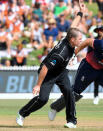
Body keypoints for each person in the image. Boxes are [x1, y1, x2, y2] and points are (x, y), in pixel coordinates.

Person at [16, 0, 86, 128]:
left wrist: (81, 12)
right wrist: (38, 85)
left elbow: (74, 24)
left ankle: (71, 121)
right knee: (42, 99)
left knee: (69, 92)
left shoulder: (69, 37)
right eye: (79, 39)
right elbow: (45, 67)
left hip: (61, 71)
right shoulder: (60, 54)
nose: (81, 40)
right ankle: (22, 113)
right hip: (48, 73)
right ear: (72, 39)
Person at [48, 37, 103, 128]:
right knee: (74, 93)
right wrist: (74, 53)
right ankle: (56, 107)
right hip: (88, 67)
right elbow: (88, 41)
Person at [90, 25, 103, 105]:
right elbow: (90, 52)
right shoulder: (94, 40)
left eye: (101, 30)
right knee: (96, 81)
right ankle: (96, 97)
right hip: (96, 63)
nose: (100, 32)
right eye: (99, 30)